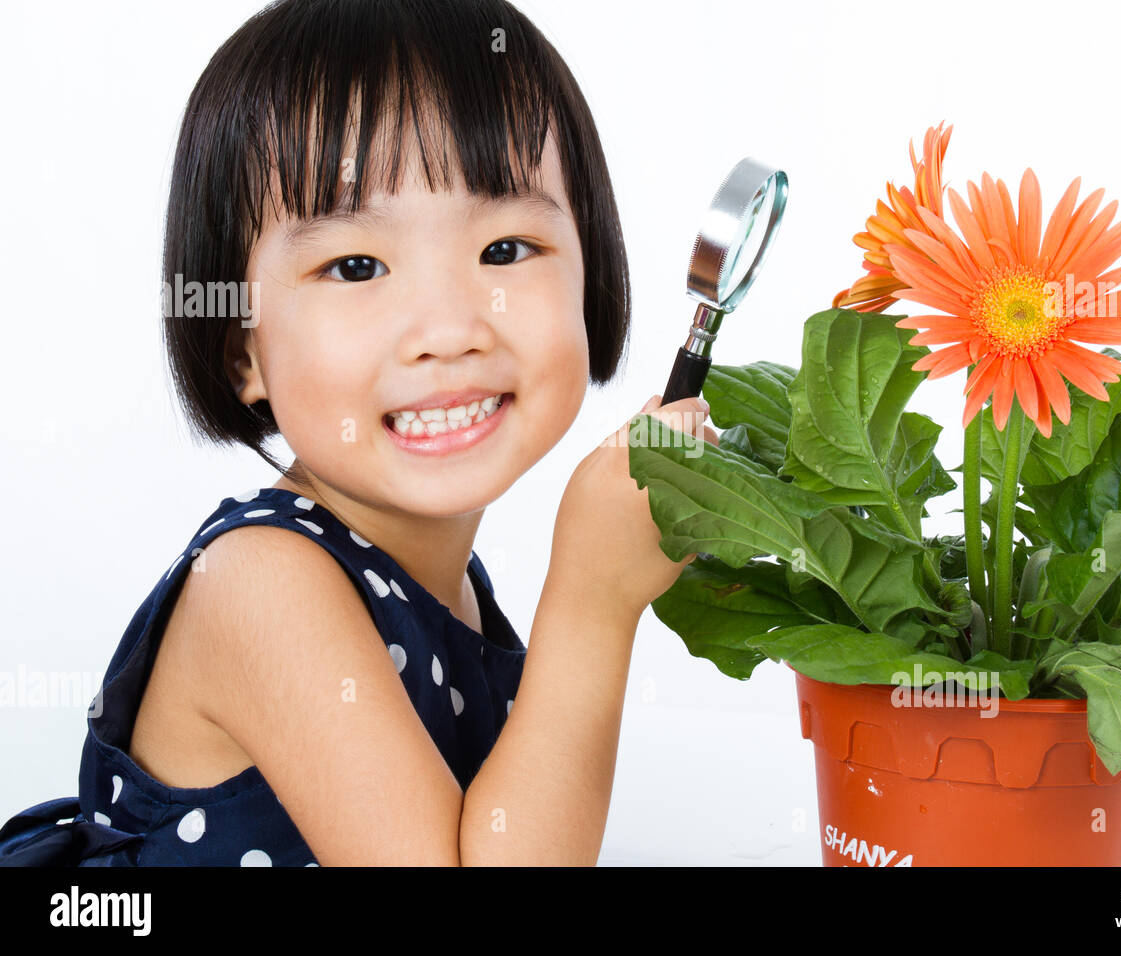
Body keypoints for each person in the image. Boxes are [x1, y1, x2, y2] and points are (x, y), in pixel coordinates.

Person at [0, 0, 717, 866]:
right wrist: (593, 605)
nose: (450, 327)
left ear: (590, 274)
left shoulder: (443, 583)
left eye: (504, 250)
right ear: (243, 355)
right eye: (355, 266)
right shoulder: (261, 585)